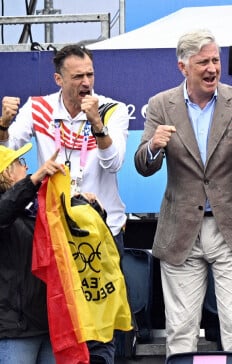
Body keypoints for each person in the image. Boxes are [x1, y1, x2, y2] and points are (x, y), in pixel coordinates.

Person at [134, 29, 232, 357]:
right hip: (181, 230)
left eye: (216, 60)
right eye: (203, 63)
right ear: (183, 68)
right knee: (181, 329)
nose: (212, 68)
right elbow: (143, 166)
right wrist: (154, 147)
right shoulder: (160, 105)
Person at [0, 44, 131, 363]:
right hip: (57, 235)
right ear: (59, 79)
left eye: (90, 74)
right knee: (66, 328)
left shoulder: (111, 109)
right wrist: (3, 123)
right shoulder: (39, 109)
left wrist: (96, 123)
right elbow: (5, 154)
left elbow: (114, 164)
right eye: (78, 76)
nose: (86, 82)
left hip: (102, 232)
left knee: (98, 333)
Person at [0, 143, 65, 364]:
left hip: (47, 325)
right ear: (7, 173)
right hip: (15, 329)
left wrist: (89, 205)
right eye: (21, 164)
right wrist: (33, 180)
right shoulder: (6, 210)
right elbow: (6, 209)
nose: (27, 168)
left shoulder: (34, 209)